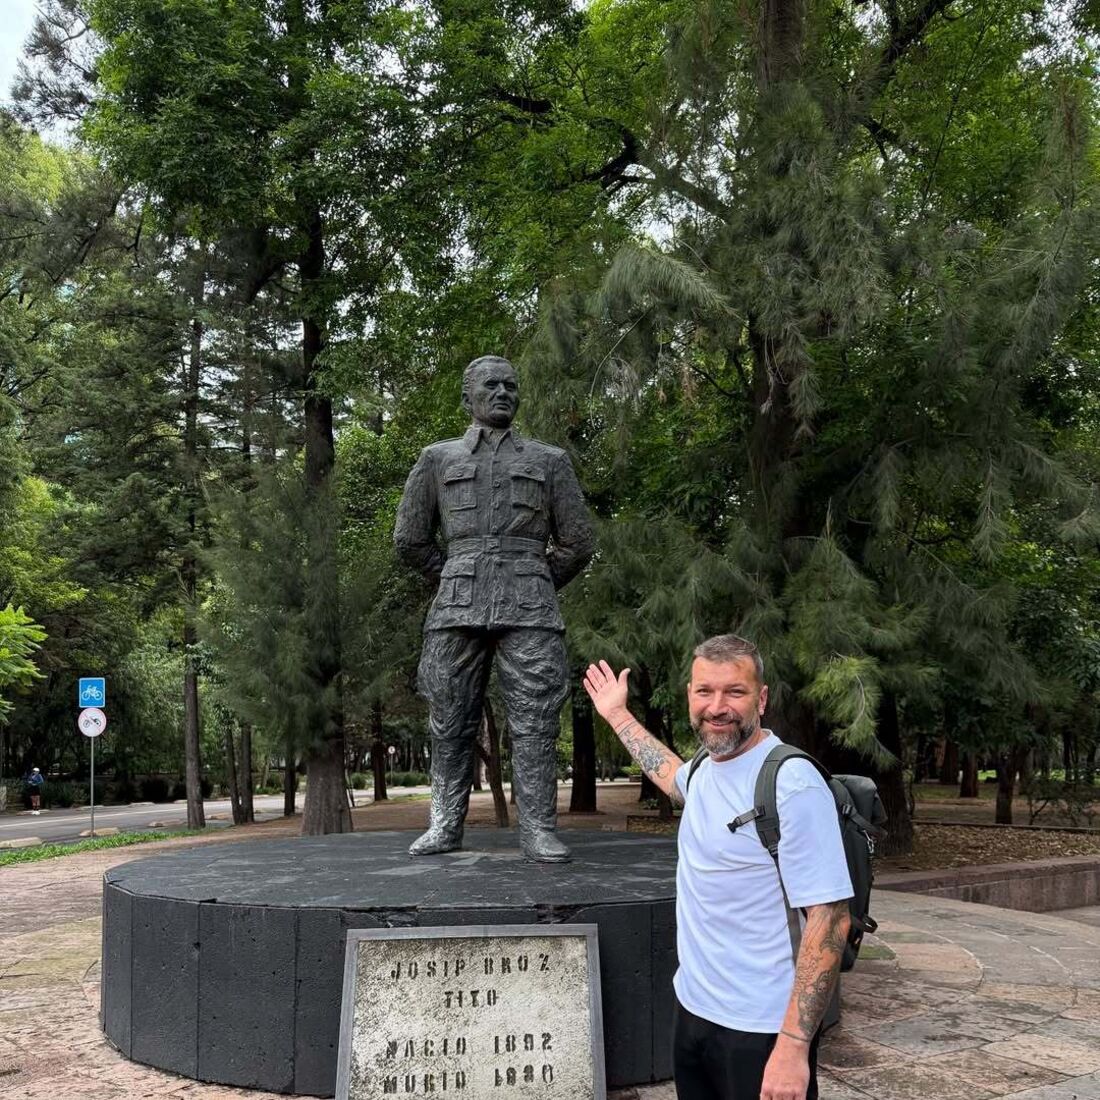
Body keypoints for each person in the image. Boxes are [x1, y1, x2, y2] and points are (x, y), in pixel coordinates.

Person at [583, 635, 853, 1100]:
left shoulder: (793, 783)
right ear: (690, 694)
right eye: (705, 691)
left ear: (761, 699)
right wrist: (616, 714)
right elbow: (668, 773)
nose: (717, 706)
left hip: (761, 1030)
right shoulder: (706, 768)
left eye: (735, 691)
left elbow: (830, 922)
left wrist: (792, 1048)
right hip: (693, 1012)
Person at [394, 355, 595, 862]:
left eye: (510, 385)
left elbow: (577, 542)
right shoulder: (437, 459)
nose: (502, 392)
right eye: (491, 385)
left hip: (530, 604)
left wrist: (536, 578)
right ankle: (444, 825)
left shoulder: (550, 461)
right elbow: (410, 540)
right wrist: (457, 572)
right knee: (448, 716)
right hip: (456, 605)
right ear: (468, 399)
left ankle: (538, 829)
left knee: (536, 718)